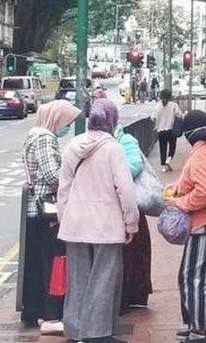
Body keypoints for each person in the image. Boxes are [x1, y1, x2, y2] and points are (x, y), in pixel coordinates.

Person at [57, 99, 139, 343]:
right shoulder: (113, 148)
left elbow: (64, 188)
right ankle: (98, 332)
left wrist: (65, 219)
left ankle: (75, 329)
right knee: (105, 277)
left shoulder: (73, 145)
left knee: (78, 276)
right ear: (112, 120)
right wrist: (130, 223)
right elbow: (125, 189)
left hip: (75, 222)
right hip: (106, 224)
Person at [164, 110, 206, 342]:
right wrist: (179, 187)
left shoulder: (203, 154)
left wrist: (179, 202)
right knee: (190, 275)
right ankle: (201, 324)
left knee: (194, 277)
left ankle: (198, 330)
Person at [21, 100, 80, 334]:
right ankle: (49, 313)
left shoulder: (33, 136)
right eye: (66, 121)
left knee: (38, 262)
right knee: (52, 262)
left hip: (36, 211)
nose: (66, 126)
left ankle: (34, 311)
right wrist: (72, 179)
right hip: (47, 211)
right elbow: (53, 175)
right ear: (56, 118)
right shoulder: (45, 138)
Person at [114, 125, 153, 311]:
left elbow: (134, 166)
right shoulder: (96, 142)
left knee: (133, 252)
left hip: (129, 204)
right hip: (111, 207)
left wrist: (111, 176)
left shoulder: (126, 140)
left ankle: (132, 295)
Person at [152, 89, 183, 172]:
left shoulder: (158, 106)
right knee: (172, 146)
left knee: (162, 148)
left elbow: (153, 118)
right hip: (171, 130)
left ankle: (163, 166)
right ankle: (169, 159)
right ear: (170, 96)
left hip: (160, 130)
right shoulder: (174, 105)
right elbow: (179, 114)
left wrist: (157, 124)